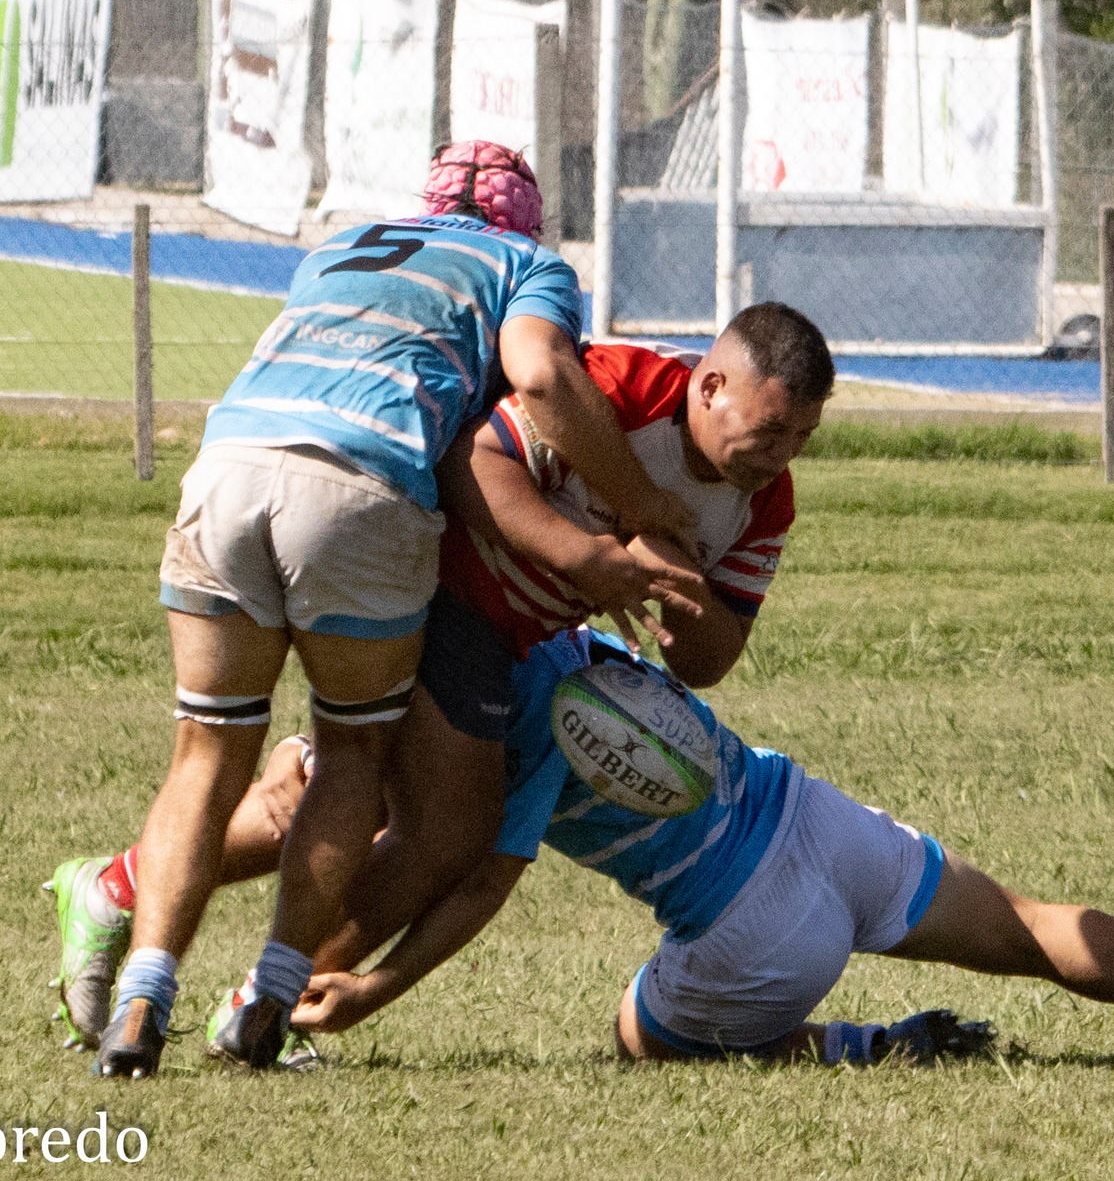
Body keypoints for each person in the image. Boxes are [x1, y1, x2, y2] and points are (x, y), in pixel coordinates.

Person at [51, 316, 832, 1067]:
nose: (781, 454)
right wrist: (588, 555)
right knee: (446, 829)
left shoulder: (767, 499)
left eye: (801, 436)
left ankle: (124, 891)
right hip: (439, 587)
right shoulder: (622, 388)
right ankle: (265, 1003)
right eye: (768, 430)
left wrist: (674, 572)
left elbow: (713, 655)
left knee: (354, 799)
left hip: (510, 639)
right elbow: (473, 465)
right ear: (710, 384)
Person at [91, 141, 697, 1078]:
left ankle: (141, 998)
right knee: (352, 757)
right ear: (520, 224)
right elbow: (538, 376)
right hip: (360, 485)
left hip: (228, 464)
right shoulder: (526, 265)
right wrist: (642, 513)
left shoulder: (342, 245)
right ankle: (269, 997)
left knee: (206, 750)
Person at [141, 630, 1114, 1067]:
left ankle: (854, 1046)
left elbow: (478, 878)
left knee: (636, 1039)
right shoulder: (570, 637)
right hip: (821, 826)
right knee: (1033, 924)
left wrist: (376, 984)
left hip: (749, 933)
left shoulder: (495, 716)